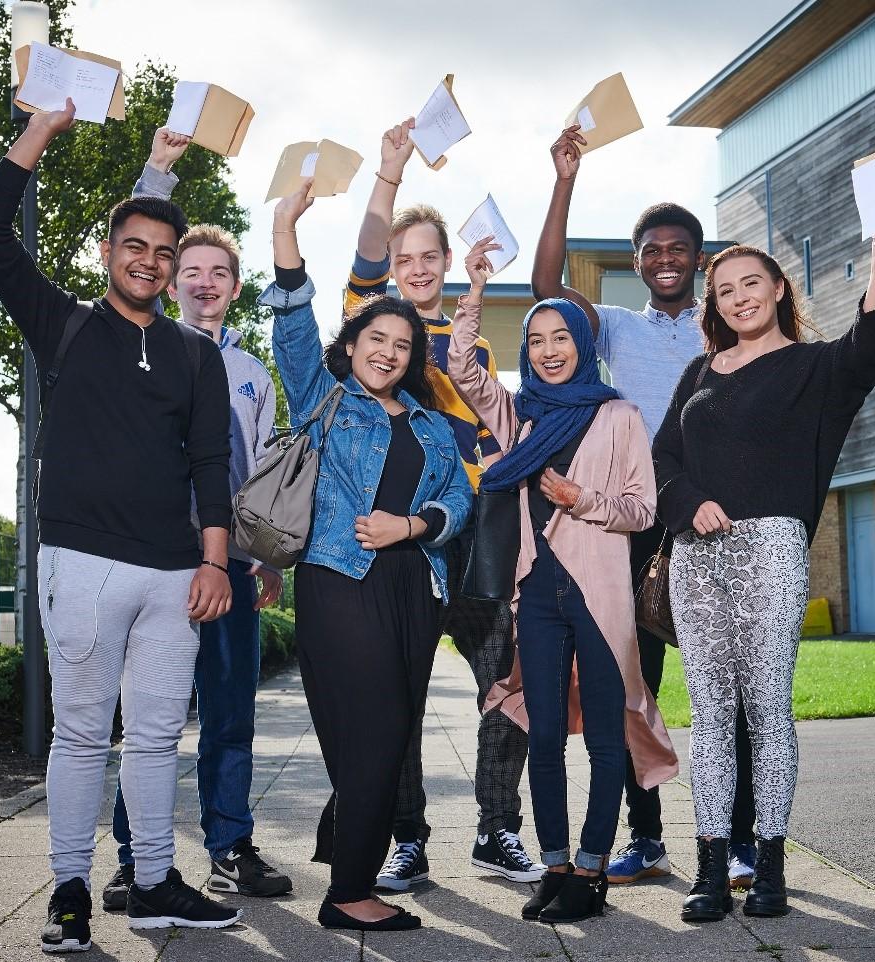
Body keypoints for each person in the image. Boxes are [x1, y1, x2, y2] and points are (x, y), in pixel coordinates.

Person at [0, 100, 242, 953]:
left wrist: (215, 564)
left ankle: (156, 881)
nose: (152, 263)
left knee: (159, 736)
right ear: (107, 254)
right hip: (81, 563)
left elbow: (208, 466)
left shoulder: (197, 355)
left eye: (165, 254)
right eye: (136, 247)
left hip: (173, 575)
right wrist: (39, 135)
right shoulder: (65, 325)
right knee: (84, 733)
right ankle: (69, 892)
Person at [653, 215, 875, 922]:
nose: (737, 298)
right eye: (724, 291)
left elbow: (865, 350)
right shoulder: (698, 372)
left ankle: (768, 867)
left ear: (777, 288)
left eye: (749, 285)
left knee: (765, 713)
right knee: (707, 716)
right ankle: (708, 870)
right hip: (696, 559)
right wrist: (689, 500)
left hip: (770, 549)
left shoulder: (815, 367)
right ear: (715, 306)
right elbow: (662, 458)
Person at [530, 123, 759, 887]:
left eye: (677, 249)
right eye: (650, 250)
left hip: (715, 524)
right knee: (634, 688)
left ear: (698, 259)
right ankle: (649, 836)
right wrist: (564, 178)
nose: (664, 259)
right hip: (633, 531)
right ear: (636, 264)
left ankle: (740, 841)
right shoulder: (616, 328)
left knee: (725, 685)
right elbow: (542, 287)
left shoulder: (726, 323)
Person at [449, 239, 680, 924]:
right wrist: (474, 291)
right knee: (544, 737)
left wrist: (585, 501)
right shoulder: (521, 416)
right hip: (537, 602)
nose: (550, 350)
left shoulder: (618, 416)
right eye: (537, 340)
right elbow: (463, 370)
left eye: (562, 338)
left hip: (601, 602)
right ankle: (554, 864)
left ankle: (590, 869)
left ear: (583, 342)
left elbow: (642, 508)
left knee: (606, 741)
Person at [264, 178, 472, 931]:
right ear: (350, 347)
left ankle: (344, 848)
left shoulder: (431, 424)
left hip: (414, 588)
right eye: (374, 340)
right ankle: (350, 889)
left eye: (402, 343)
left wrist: (412, 527)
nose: (388, 351)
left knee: (385, 732)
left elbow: (460, 503)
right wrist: (286, 230)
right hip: (338, 581)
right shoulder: (322, 398)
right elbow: (290, 321)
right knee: (376, 728)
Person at [344, 119, 543, 890]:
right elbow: (361, 264)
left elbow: (488, 438)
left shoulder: (476, 345)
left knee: (506, 685)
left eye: (430, 257)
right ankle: (407, 840)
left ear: (445, 264)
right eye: (404, 259)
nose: (416, 268)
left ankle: (497, 830)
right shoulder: (373, 328)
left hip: (472, 542)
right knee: (398, 700)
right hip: (401, 542)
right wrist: (387, 175)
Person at [99, 128, 292, 913]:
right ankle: (131, 855)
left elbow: (266, 472)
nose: (204, 283)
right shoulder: (143, 348)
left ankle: (229, 843)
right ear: (172, 281)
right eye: (192, 272)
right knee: (148, 720)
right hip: (157, 561)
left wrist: (271, 556)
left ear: (235, 288)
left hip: (236, 565)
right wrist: (159, 171)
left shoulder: (254, 375)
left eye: (220, 273)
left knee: (230, 713)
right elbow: (132, 237)